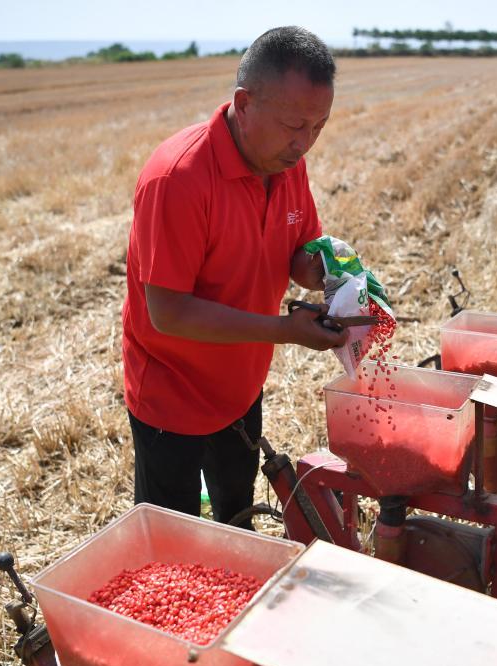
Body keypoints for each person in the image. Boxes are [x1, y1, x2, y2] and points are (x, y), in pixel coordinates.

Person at [122, 26, 346, 528]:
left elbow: (299, 250)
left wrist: (326, 272)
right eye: (294, 125)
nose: (304, 143)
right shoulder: (179, 179)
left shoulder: (286, 163)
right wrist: (285, 331)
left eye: (319, 127)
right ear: (244, 104)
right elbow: (168, 312)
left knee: (235, 517)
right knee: (173, 541)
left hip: (241, 383)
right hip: (172, 394)